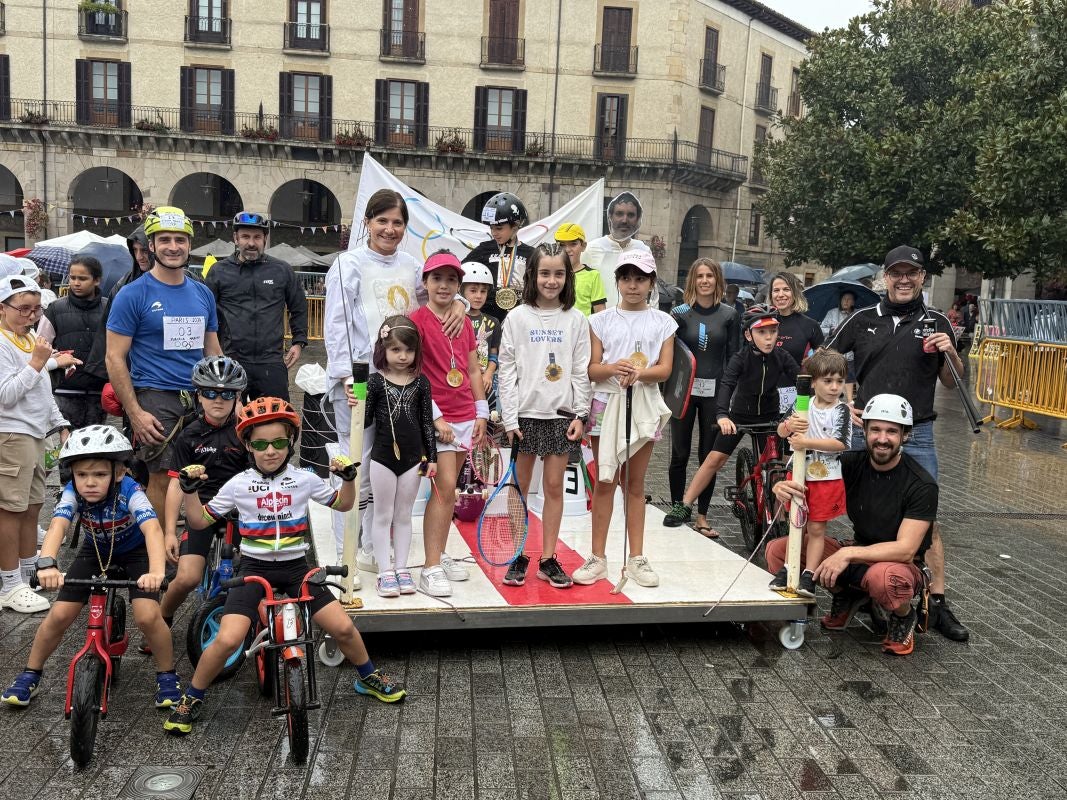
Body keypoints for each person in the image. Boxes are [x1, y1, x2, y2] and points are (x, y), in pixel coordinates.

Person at [163, 397, 405, 734]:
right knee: (228, 638)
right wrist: (190, 492)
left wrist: (348, 478)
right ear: (247, 445)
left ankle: (369, 677)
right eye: (260, 444)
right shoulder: (239, 484)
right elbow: (199, 522)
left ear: (291, 442)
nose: (270, 451)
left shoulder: (304, 479)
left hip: (296, 567)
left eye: (279, 442)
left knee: (344, 628)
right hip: (253, 569)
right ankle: (192, 696)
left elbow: (346, 504)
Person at [825, 244, 969, 642]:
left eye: (912, 273)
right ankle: (861, 585)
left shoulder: (938, 320)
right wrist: (841, 400)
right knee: (852, 504)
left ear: (922, 277)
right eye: (896, 273)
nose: (904, 279)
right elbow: (823, 361)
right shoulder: (861, 318)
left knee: (927, 520)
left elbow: (951, 380)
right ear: (884, 278)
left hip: (917, 432)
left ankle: (936, 603)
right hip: (865, 431)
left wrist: (950, 353)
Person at [325, 190, 467, 581]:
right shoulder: (346, 264)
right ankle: (344, 555)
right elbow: (336, 326)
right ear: (367, 222)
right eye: (382, 220)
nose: (389, 229)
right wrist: (346, 380)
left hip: (399, 383)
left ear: (405, 227)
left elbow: (439, 295)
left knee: (382, 465)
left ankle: (372, 546)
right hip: (357, 383)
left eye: (397, 222)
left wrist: (461, 305)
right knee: (353, 466)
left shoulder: (409, 264)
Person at [1, 425, 180, 707]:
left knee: (147, 616)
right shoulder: (73, 492)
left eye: (99, 474)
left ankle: (167, 675)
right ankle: (30, 674)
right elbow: (58, 526)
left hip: (136, 553)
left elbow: (152, 531)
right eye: (82, 474)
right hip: (94, 550)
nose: (90, 482)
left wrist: (156, 572)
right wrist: (46, 564)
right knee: (59, 615)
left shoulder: (130, 490)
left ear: (119, 472)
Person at [768, 394, 937, 656]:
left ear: (905, 435)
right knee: (779, 550)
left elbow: (905, 550)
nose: (882, 439)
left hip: (899, 564)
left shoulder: (921, 484)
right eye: (876, 430)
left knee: (885, 579)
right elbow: (806, 477)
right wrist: (781, 486)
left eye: (891, 431)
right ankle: (847, 593)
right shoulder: (849, 463)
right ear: (864, 431)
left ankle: (904, 615)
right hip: (858, 553)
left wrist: (846, 553)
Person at [105, 207, 221, 518]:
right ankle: (155, 555)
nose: (173, 246)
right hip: (156, 395)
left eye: (180, 240)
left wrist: (229, 395)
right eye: (164, 240)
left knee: (205, 469)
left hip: (200, 396)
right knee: (162, 476)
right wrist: (135, 413)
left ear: (189, 245)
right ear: (151, 246)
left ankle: (190, 542)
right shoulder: (131, 294)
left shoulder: (202, 293)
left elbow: (212, 350)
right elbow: (114, 357)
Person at [573, 250, 674, 588]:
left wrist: (640, 373)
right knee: (605, 480)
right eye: (626, 278)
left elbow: (664, 369)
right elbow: (591, 368)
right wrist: (614, 369)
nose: (633, 285)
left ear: (650, 283)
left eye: (640, 279)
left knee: (634, 482)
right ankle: (598, 557)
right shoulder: (599, 321)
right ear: (617, 281)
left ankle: (637, 558)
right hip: (606, 403)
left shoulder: (663, 322)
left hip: (643, 404)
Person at [497, 243, 591, 588]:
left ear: (567, 278)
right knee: (519, 489)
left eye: (559, 274)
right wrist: (510, 420)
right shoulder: (517, 318)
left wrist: (580, 414)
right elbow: (505, 372)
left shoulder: (576, 319)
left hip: (561, 417)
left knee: (553, 487)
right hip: (524, 418)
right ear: (532, 276)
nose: (552, 281)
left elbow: (580, 370)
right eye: (545, 273)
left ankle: (548, 559)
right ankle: (518, 555)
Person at [664, 306, 799, 527]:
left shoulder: (782, 356)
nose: (768, 338)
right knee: (714, 459)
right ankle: (685, 505)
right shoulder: (741, 358)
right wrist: (722, 415)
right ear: (748, 335)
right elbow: (727, 385)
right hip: (739, 416)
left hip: (770, 417)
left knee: (775, 467)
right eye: (762, 332)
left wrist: (798, 411)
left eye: (773, 332)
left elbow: (802, 383)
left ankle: (779, 520)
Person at [410, 251, 488, 597]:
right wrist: (435, 416)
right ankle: (429, 568)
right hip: (435, 418)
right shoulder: (415, 322)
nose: (444, 285)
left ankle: (438, 555)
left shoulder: (466, 322)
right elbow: (411, 374)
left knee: (449, 490)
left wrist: (482, 411)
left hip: (465, 416)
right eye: (436, 279)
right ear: (425, 283)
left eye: (451, 280)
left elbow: (471, 369)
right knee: (442, 491)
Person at [155, 356, 249, 635]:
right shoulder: (189, 435)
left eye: (226, 394)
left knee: (252, 575)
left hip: (241, 510)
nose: (217, 400)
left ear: (237, 396)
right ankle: (162, 619)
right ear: (198, 395)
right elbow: (176, 485)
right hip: (203, 511)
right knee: (186, 577)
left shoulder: (247, 432)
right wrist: (170, 532)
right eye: (209, 393)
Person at [0, 275, 74, 614]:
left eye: (36, 309)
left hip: (34, 434)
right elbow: (6, 395)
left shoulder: (27, 338)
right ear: (2, 309)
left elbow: (42, 390)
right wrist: (38, 363)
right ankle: (10, 583)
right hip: (11, 434)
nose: (31, 316)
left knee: (32, 508)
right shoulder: (3, 343)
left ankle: (29, 570)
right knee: (9, 511)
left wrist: (60, 423)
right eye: (23, 309)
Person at [664, 259, 739, 537]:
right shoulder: (680, 313)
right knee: (679, 454)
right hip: (684, 394)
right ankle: (676, 507)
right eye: (699, 276)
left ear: (717, 280)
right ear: (692, 281)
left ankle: (703, 516)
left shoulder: (730, 314)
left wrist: (729, 397)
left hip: (715, 395)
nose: (704, 281)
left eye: (709, 276)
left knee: (707, 456)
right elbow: (672, 355)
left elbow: (733, 358)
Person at [768, 348, 852, 598]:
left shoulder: (841, 410)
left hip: (826, 477)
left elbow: (841, 444)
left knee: (816, 529)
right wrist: (788, 426)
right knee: (795, 521)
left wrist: (807, 442)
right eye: (828, 381)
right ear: (813, 382)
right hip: (799, 473)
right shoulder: (802, 402)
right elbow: (782, 432)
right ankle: (788, 565)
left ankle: (809, 575)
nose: (834, 386)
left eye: (839, 381)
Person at [364, 317, 437, 598]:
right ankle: (385, 571)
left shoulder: (421, 383)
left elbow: (427, 423)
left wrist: (432, 458)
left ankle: (402, 568)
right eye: (395, 350)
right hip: (382, 458)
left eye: (408, 350)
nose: (403, 356)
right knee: (382, 515)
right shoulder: (374, 382)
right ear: (383, 350)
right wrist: (356, 395)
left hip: (413, 460)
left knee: (404, 515)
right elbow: (366, 419)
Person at [204, 211, 308, 401]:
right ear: (235, 238)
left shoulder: (282, 270)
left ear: (265, 239)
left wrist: (299, 341)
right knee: (229, 422)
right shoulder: (218, 272)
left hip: (271, 362)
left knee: (276, 422)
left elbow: (299, 306)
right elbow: (206, 313)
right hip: (230, 360)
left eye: (257, 237)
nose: (251, 243)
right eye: (245, 236)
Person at [38, 255, 108, 433]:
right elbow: (39, 348)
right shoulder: (55, 309)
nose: (76, 283)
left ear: (97, 280)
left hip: (99, 392)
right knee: (66, 451)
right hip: (64, 392)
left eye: (82, 278)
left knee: (96, 450)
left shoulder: (110, 308)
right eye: (72, 277)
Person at [462, 192, 535, 321]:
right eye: (492, 228)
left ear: (515, 225)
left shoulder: (531, 254)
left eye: (499, 228)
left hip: (520, 319)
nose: (494, 233)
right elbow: (459, 272)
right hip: (488, 319)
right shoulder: (484, 249)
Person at [767, 271, 823, 413]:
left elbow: (824, 362)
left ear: (795, 293)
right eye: (776, 290)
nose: (780, 294)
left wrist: (812, 362)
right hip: (764, 393)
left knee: (796, 434)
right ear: (771, 295)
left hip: (799, 394)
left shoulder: (810, 325)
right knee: (765, 434)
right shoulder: (764, 323)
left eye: (786, 289)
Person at [585, 192, 653, 308]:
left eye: (631, 215)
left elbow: (652, 293)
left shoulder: (644, 250)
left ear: (638, 219)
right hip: (600, 322)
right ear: (610, 216)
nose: (624, 220)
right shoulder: (591, 249)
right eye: (619, 214)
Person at [459, 262, 501, 411]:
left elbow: (494, 353)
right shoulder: (456, 320)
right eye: (473, 290)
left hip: (484, 382)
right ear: (461, 290)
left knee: (487, 422)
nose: (478, 296)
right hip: (461, 382)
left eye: (483, 291)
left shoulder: (493, 322)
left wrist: (489, 374)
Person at [555, 222, 606, 316]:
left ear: (583, 246)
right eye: (562, 245)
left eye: (573, 244)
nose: (567, 249)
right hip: (555, 329)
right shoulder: (551, 275)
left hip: (582, 329)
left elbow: (600, 314)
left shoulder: (593, 275)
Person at [820, 290, 858, 402]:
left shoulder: (857, 314)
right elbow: (822, 329)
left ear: (853, 302)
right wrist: (831, 330)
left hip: (850, 353)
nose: (846, 301)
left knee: (850, 376)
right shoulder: (832, 313)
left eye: (849, 299)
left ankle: (850, 401)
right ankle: (833, 398)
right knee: (833, 375)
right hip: (834, 352)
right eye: (843, 299)